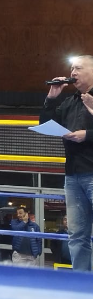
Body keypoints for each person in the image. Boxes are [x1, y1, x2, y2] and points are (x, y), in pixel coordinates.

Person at [40, 54, 93, 271]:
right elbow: (45, 124)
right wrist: (52, 98)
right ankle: (81, 283)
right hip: (73, 175)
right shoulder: (70, 102)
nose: (72, 73)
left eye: (78, 68)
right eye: (72, 69)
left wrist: (87, 135)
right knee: (77, 233)